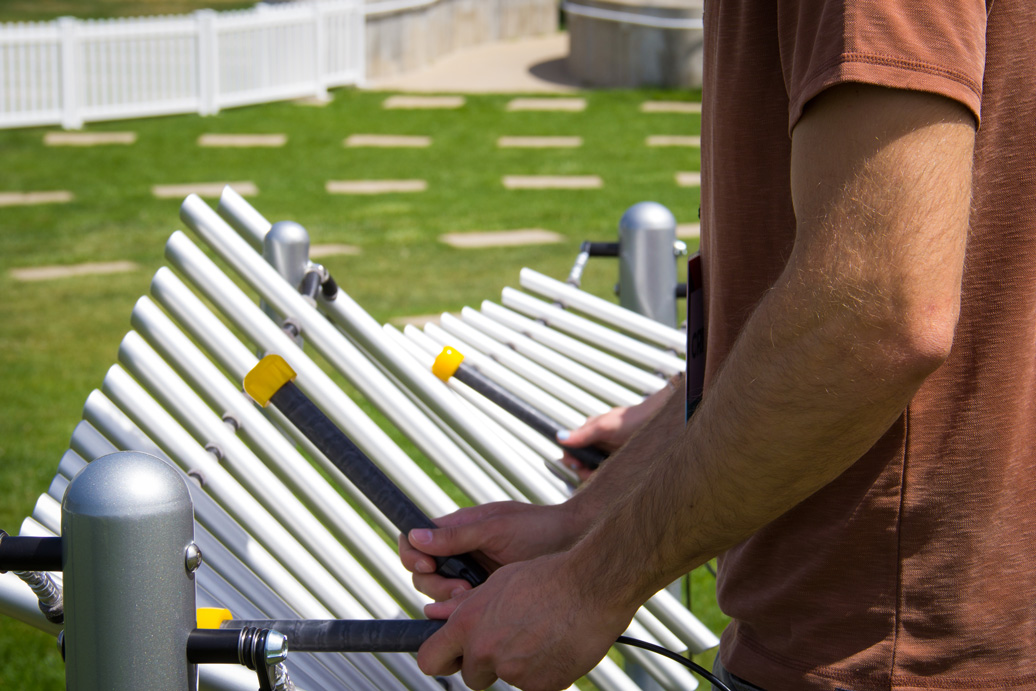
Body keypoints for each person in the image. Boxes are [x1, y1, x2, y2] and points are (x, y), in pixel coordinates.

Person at [399, 2, 1036, 689]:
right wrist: (580, 523)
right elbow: (810, 332)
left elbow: (873, 316)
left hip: (883, 654)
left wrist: (588, 584)